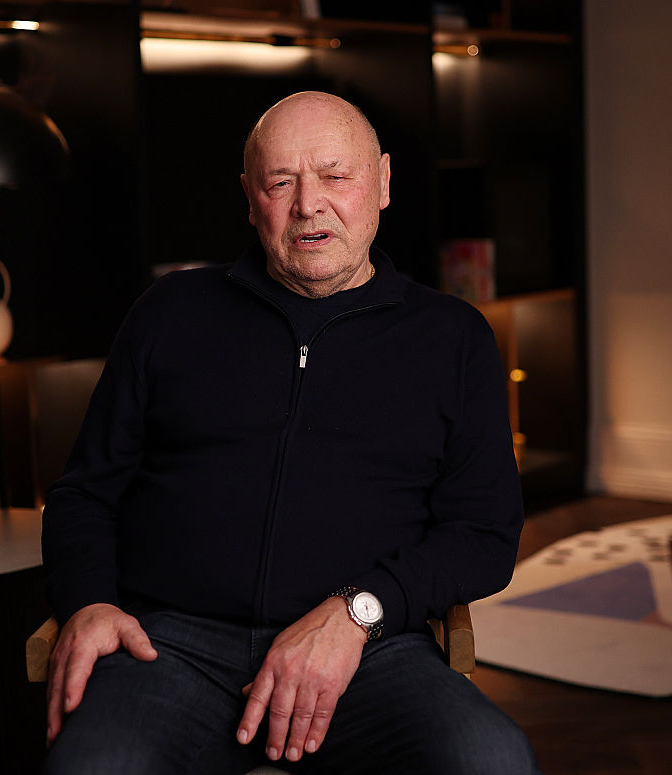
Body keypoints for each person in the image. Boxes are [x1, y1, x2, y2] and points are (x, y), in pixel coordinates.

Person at [41, 91, 539, 774]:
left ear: (382, 182)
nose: (309, 204)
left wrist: (358, 611)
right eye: (281, 182)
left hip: (370, 650)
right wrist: (91, 599)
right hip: (171, 648)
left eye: (336, 176)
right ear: (250, 198)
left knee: (492, 760)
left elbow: (483, 535)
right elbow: (84, 493)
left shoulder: (453, 338)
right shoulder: (170, 313)